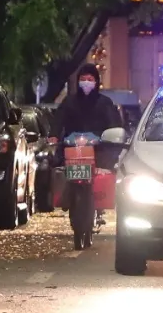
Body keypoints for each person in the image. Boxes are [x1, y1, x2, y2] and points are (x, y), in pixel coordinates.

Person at [52, 64, 121, 227]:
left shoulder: (105, 103)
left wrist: (110, 137)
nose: (86, 82)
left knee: (104, 170)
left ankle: (98, 207)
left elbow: (114, 124)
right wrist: (54, 136)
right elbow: (58, 120)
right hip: (72, 149)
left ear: (96, 81)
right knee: (58, 168)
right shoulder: (69, 101)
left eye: (90, 79)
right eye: (83, 79)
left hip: (98, 149)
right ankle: (68, 198)